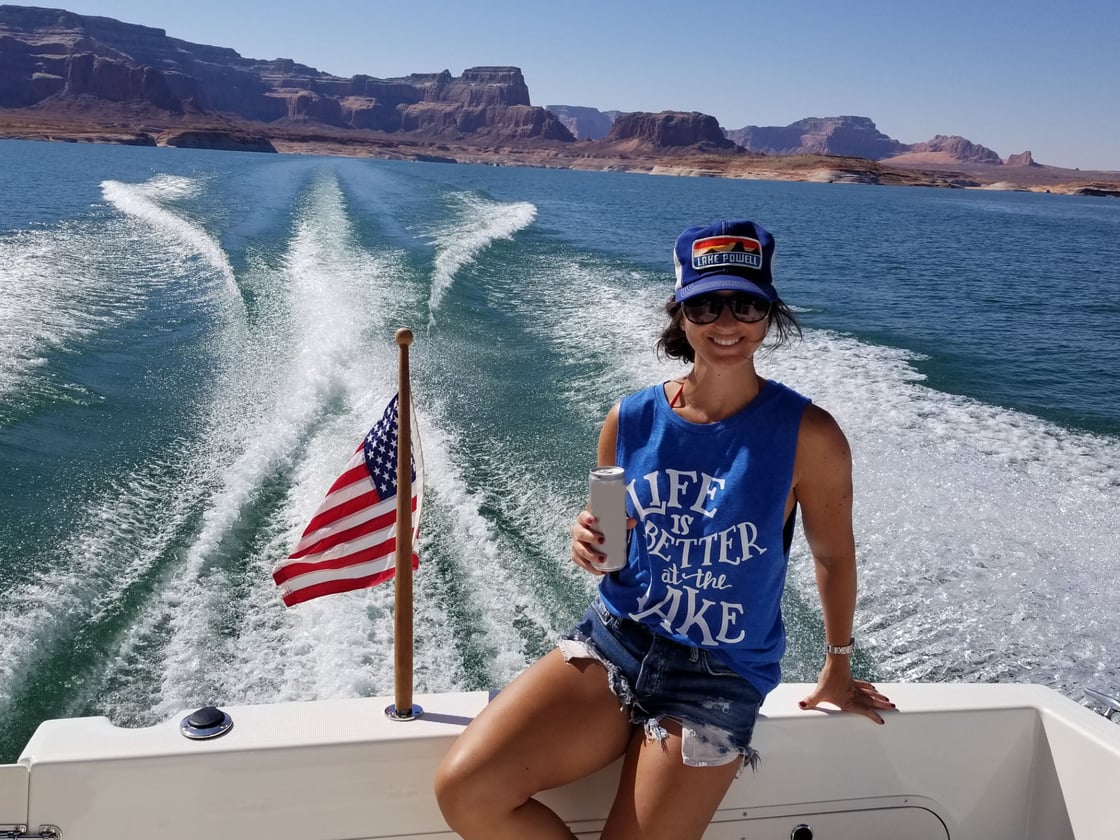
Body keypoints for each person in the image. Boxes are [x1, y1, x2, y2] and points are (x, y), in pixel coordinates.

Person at [434, 219, 894, 840]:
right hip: (616, 641)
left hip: (719, 675)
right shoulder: (628, 419)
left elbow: (833, 555)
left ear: (769, 314)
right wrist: (589, 544)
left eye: (746, 303)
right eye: (705, 303)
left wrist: (837, 664)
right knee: (466, 789)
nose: (726, 322)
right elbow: (609, 546)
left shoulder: (810, 435)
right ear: (680, 314)